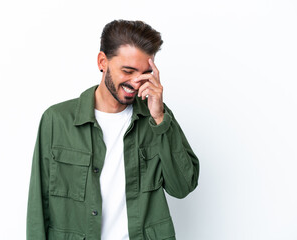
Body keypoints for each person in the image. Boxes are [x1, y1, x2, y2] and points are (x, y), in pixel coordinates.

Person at [27, 19, 199, 240]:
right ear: (102, 62)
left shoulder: (157, 118)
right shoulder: (57, 120)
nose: (136, 82)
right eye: (127, 71)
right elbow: (38, 206)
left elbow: (182, 187)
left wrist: (159, 118)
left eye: (145, 73)